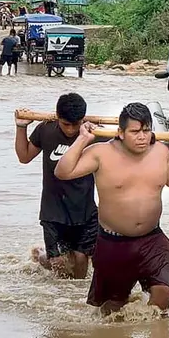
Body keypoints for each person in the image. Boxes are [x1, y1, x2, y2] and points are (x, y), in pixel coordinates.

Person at [54, 102, 169, 316]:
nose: (142, 137)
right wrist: (83, 139)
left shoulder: (161, 151)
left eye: (146, 130)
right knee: (112, 309)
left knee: (164, 293)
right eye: (135, 132)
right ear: (120, 133)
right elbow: (63, 172)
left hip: (151, 239)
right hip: (113, 242)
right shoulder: (101, 153)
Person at [16, 93, 110, 279]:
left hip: (85, 210)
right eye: (66, 124)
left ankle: (77, 299)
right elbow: (24, 157)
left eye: (75, 124)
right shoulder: (46, 130)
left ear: (83, 119)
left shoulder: (95, 136)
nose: (71, 129)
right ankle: (41, 256)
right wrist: (20, 127)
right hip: (53, 210)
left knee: (81, 261)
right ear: (57, 117)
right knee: (58, 264)